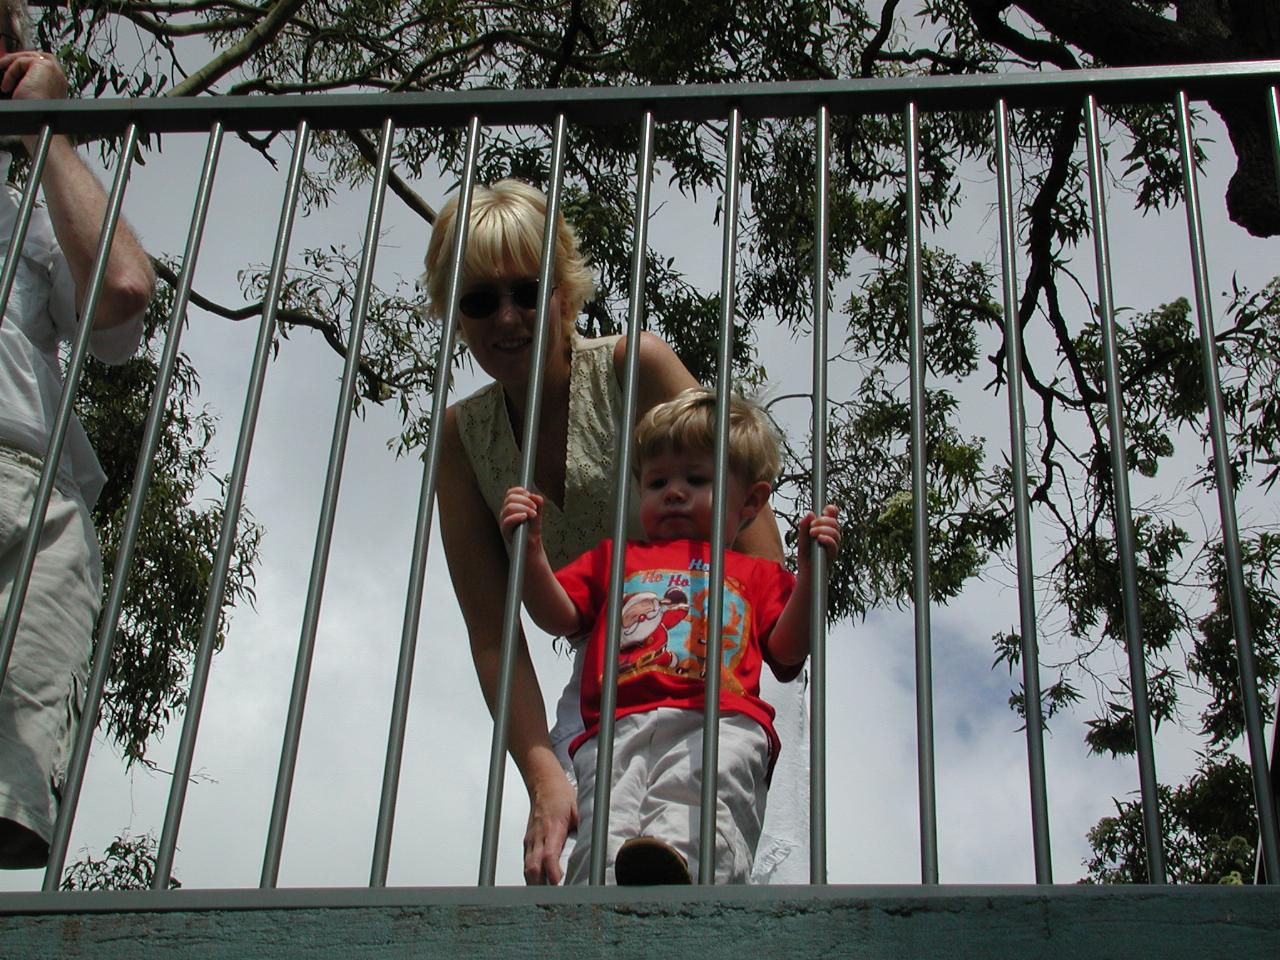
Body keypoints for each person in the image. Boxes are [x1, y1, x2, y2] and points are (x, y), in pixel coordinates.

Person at [427, 179, 790, 884]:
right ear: (454, 315)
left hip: (727, 652)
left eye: (527, 291)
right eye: (478, 300)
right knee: (601, 872)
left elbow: (749, 515)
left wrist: (768, 650)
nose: (507, 316)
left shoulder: (633, 367)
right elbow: (492, 633)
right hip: (617, 669)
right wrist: (542, 777)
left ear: (564, 290)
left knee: (719, 869)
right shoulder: (461, 438)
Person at [501, 388, 840, 883]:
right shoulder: (616, 558)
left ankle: (690, 892)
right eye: (658, 482)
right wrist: (532, 553)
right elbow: (557, 614)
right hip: (616, 727)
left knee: (701, 810)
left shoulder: (755, 573)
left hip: (719, 722)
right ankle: (601, 905)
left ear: (751, 500)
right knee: (604, 834)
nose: (674, 491)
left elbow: (789, 651)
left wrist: (811, 576)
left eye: (697, 479)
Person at [0, 0, 155, 869]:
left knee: (10, 803)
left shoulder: (29, 210)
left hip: (32, 489)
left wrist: (47, 131)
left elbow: (124, 294)